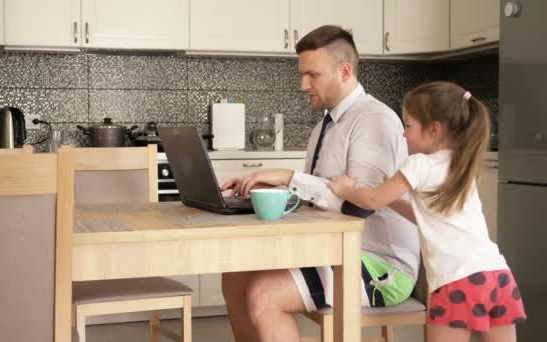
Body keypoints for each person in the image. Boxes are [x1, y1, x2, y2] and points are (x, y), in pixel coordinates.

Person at [220, 25, 420, 342]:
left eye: (312, 74)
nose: (303, 85)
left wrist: (289, 177)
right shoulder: (324, 127)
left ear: (344, 71)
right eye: (302, 74)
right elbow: (321, 197)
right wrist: (272, 191)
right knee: (234, 276)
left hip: (379, 266)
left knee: (265, 294)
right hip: (331, 250)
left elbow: (358, 205)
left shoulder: (374, 121)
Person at [328, 81, 527, 342]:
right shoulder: (461, 164)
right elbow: (430, 219)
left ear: (434, 130)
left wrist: (347, 189)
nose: (403, 134)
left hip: (457, 281)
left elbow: (373, 199)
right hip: (497, 276)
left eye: (408, 125)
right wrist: (394, 201)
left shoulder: (420, 164)